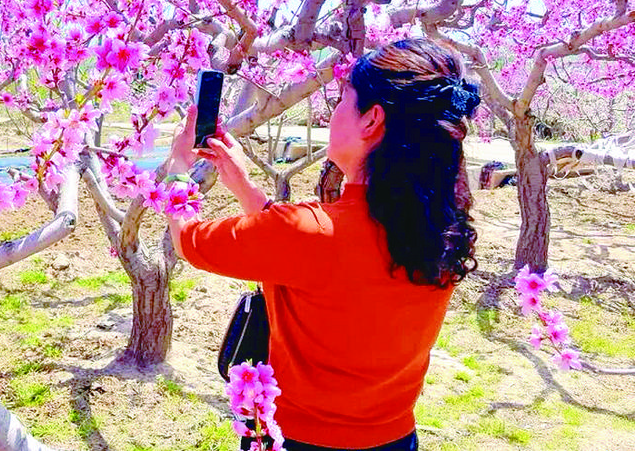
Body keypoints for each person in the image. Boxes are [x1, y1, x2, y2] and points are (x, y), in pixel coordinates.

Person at [166, 39, 481, 451]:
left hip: (297, 439)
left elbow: (191, 241)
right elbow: (315, 250)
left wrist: (175, 170)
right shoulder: (437, 231)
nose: (332, 115)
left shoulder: (306, 234)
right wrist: (243, 184)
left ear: (371, 120)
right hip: (394, 437)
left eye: (342, 101)